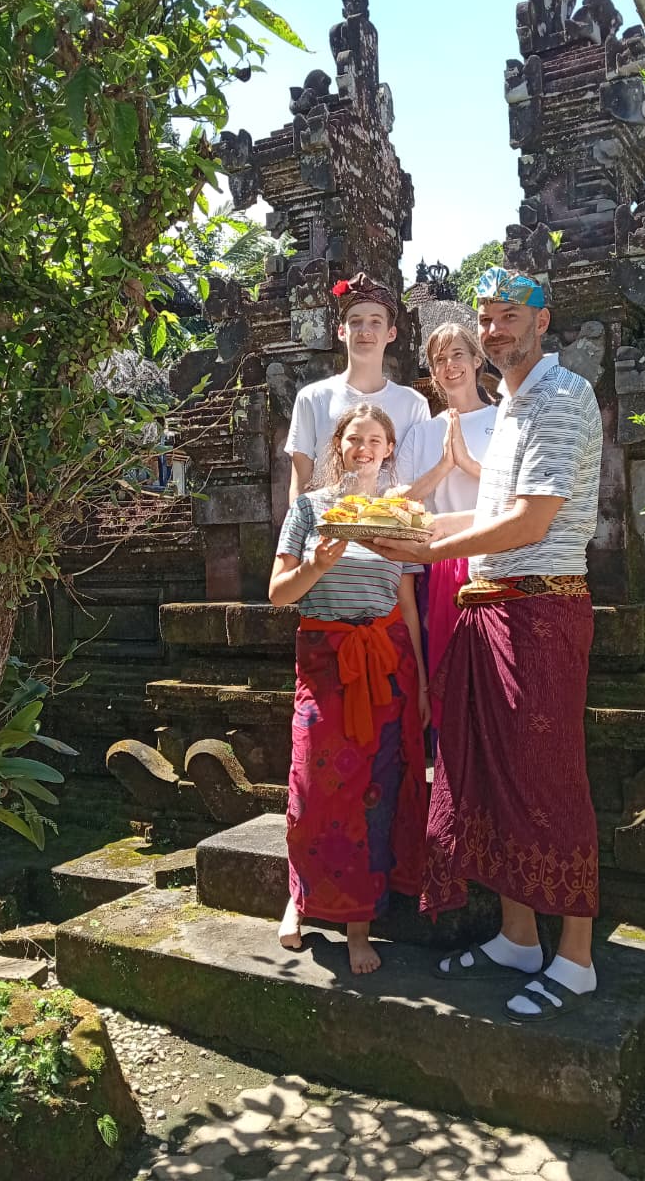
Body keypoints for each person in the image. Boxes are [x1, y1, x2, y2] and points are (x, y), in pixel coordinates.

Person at [370, 266, 603, 1020]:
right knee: (489, 781)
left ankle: (576, 958)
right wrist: (400, 531)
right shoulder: (511, 408)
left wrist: (428, 553)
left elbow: (532, 524)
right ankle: (516, 934)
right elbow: (481, 521)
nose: (497, 329)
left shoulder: (561, 399)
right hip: (491, 605)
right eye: (488, 318)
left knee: (547, 779)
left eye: (510, 316)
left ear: (543, 318)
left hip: (541, 610)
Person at [269, 403, 430, 975]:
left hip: (385, 665)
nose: (365, 448)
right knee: (311, 787)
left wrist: (424, 683)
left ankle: (358, 925)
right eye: (354, 439)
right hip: (323, 662)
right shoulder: (310, 509)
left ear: (389, 448)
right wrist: (314, 564)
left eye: (376, 440)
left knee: (373, 793)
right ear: (337, 446)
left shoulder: (400, 515)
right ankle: (299, 898)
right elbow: (279, 594)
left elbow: (408, 605)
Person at [396, 323, 496, 732]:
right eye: (440, 359)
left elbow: (523, 495)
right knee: (447, 682)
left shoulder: (504, 418)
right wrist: (443, 467)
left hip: (495, 560)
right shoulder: (422, 432)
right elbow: (398, 505)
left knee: (493, 683)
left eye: (458, 354)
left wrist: (470, 465)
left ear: (477, 360)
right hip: (438, 567)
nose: (449, 365)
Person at [284, 272, 429, 503]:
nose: (365, 331)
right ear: (342, 331)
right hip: (328, 529)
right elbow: (300, 484)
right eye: (355, 322)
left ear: (390, 333)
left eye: (375, 322)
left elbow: (420, 483)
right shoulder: (312, 398)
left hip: (389, 531)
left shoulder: (414, 405)